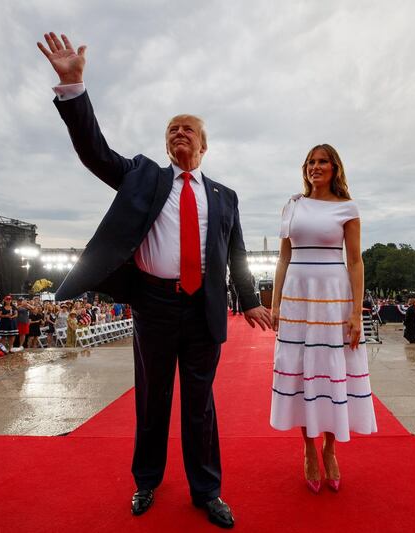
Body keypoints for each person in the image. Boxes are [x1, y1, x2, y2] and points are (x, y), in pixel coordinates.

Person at [39, 31, 272, 529]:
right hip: (153, 303)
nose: (178, 134)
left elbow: (237, 252)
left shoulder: (225, 196)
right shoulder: (145, 175)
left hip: (203, 307)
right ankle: (146, 480)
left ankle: (206, 490)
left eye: (188, 129)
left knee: (200, 404)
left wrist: (249, 298)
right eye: (172, 129)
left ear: (204, 144)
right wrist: (74, 90)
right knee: (152, 397)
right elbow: (96, 153)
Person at [269, 144, 377, 494]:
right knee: (302, 370)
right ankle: (308, 448)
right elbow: (283, 258)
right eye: (311, 162)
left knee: (331, 371)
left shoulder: (348, 207)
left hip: (334, 297)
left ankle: (330, 448)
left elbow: (356, 261)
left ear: (335, 168)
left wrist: (356, 313)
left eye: (322, 162)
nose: (315, 167)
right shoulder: (293, 205)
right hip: (298, 298)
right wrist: (274, 304)